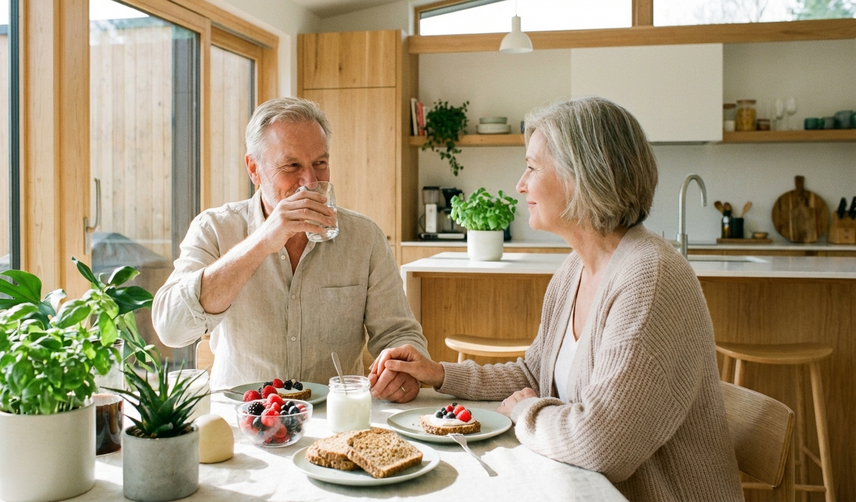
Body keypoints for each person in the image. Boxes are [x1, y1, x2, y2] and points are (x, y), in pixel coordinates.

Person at [370, 97, 744, 500]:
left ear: (582, 176)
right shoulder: (575, 269)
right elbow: (535, 376)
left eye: (532, 167)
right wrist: (441, 374)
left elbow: (605, 445)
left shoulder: (649, 280)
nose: (520, 184)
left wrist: (524, 412)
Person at [153, 97, 429, 401]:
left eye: (320, 164)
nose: (310, 181)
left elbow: (399, 333)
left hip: (333, 419)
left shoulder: (365, 238)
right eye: (291, 165)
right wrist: (261, 242)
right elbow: (171, 330)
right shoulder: (214, 229)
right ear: (254, 169)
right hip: (242, 420)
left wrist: (403, 369)